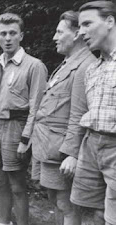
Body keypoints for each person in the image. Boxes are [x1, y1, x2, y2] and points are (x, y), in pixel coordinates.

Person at [0, 13, 48, 225]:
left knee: (17, 184)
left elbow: (37, 107)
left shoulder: (34, 66)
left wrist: (25, 139)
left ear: (21, 35)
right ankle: (3, 221)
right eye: (3, 33)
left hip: (16, 127)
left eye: (12, 33)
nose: (7, 38)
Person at [31, 10, 96, 225]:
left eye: (60, 32)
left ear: (77, 34)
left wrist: (72, 153)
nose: (54, 37)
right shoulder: (68, 62)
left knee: (66, 204)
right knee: (55, 200)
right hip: (48, 146)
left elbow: (78, 114)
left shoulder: (84, 65)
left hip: (61, 150)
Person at [70, 1, 116, 224]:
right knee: (88, 211)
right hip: (90, 145)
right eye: (79, 26)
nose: (81, 32)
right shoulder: (92, 70)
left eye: (87, 24)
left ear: (110, 21)